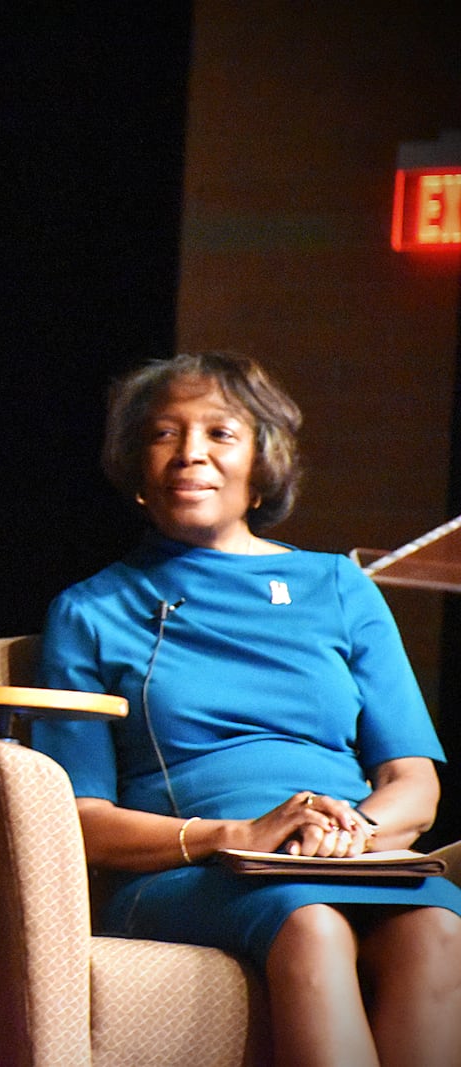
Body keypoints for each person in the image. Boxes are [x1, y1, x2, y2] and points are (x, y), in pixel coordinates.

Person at [32, 351, 461, 1067]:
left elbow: (416, 784)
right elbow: (79, 819)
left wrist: (345, 834)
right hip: (189, 871)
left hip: (350, 856)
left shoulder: (339, 587)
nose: (189, 453)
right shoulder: (93, 609)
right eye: (164, 434)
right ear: (137, 467)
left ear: (263, 464)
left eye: (220, 433)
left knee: (438, 929)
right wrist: (243, 833)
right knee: (311, 923)